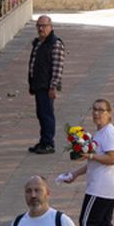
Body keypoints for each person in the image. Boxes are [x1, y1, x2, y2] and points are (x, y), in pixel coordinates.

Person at [60, 98, 114, 226]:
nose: (97, 113)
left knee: (87, 222)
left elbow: (112, 158)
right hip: (107, 188)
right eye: (94, 110)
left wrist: (91, 155)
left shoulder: (109, 133)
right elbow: (94, 161)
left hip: (101, 188)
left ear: (109, 113)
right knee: (103, 225)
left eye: (101, 110)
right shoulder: (100, 134)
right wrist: (75, 173)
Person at [26, 16, 65, 154]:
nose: (41, 29)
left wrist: (53, 86)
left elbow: (57, 67)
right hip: (38, 85)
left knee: (47, 114)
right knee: (41, 114)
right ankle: (43, 141)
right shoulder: (38, 43)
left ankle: (49, 143)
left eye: (44, 26)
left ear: (51, 27)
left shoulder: (55, 44)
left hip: (46, 86)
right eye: (38, 26)